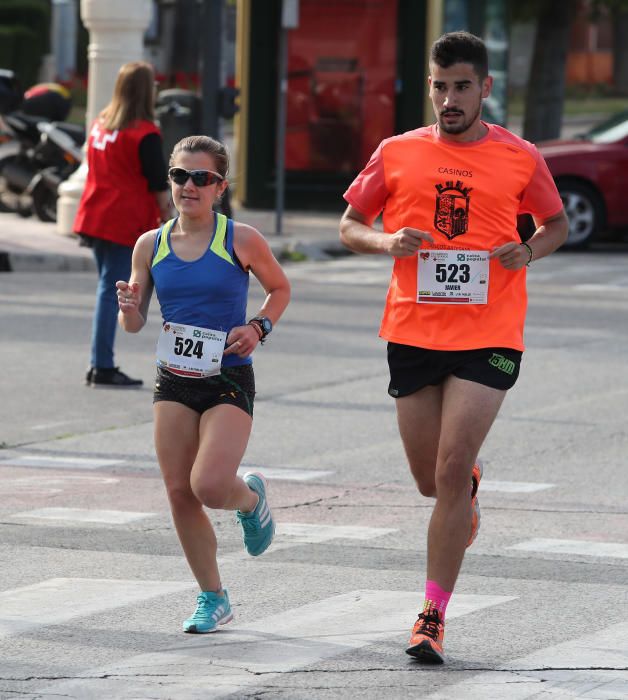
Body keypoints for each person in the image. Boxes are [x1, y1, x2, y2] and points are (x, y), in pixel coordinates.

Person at [339, 31, 568, 664]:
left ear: (485, 88)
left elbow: (556, 224)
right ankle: (464, 486)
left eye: (462, 86)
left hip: (490, 333)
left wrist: (528, 250)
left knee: (446, 469)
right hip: (412, 330)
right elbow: (350, 224)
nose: (449, 99)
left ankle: (431, 616)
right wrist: (387, 244)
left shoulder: (520, 157)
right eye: (440, 87)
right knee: (429, 481)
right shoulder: (397, 152)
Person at [116, 134, 290, 633]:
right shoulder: (150, 245)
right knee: (178, 491)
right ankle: (213, 596)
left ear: (220, 186)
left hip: (227, 376)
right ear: (169, 180)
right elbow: (135, 323)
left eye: (201, 178)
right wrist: (129, 308)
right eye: (179, 176)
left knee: (210, 484)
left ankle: (250, 501)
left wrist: (258, 327)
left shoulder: (241, 238)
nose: (189, 186)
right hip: (173, 378)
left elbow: (280, 288)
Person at [74, 61, 172, 387]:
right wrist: (173, 222)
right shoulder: (145, 133)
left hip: (95, 212)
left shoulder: (101, 124)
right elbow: (159, 184)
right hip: (124, 218)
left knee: (106, 287)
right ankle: (101, 365)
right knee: (110, 292)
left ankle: (99, 363)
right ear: (147, 91)